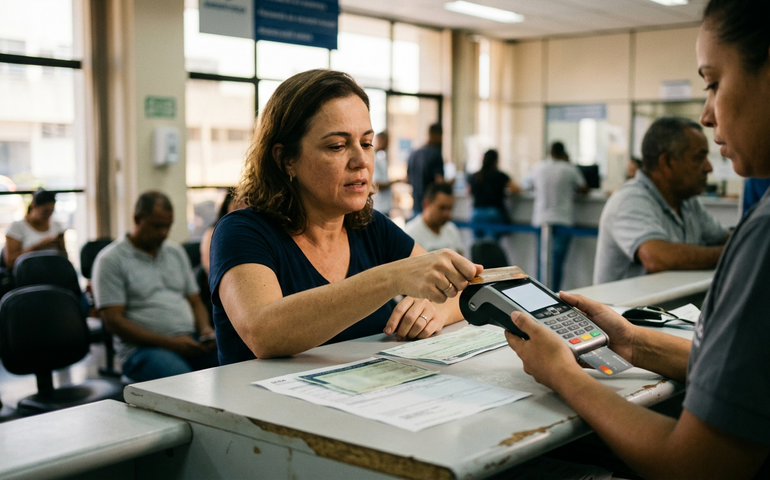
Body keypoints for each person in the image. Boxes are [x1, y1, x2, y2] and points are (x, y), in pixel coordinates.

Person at [506, 1, 770, 477]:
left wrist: (562, 374)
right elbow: (750, 380)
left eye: (713, 82)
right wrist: (629, 341)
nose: (708, 115)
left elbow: (694, 466)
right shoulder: (642, 200)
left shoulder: (765, 233)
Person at [208, 69, 481, 364]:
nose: (361, 160)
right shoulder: (242, 231)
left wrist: (435, 310)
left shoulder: (371, 227)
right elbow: (264, 332)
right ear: (286, 159)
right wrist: (391, 279)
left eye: (366, 143)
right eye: (337, 146)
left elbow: (457, 293)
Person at [92, 190, 218, 381]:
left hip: (188, 339)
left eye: (168, 226)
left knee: (231, 365)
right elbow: (114, 322)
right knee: (182, 380)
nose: (164, 233)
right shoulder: (110, 260)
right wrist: (171, 344)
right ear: (137, 219)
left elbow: (194, 301)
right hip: (142, 350)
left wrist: (206, 330)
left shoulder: (175, 252)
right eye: (157, 226)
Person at [593, 117, 729, 284]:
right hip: (624, 310)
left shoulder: (687, 201)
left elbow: (724, 238)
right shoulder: (630, 199)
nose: (709, 167)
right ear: (667, 162)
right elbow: (657, 258)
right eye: (699, 158)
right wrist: (735, 253)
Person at [526, 141, 588, 291]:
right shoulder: (569, 169)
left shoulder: (538, 167)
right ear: (564, 153)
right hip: (562, 219)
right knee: (556, 262)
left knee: (542, 261)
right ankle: (554, 294)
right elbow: (584, 188)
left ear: (549, 152)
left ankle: (540, 293)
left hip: (541, 219)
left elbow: (526, 185)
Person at [4, 188, 67, 269]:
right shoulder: (17, 227)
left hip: (53, 270)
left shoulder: (56, 226)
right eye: (45, 211)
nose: (48, 215)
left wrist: (60, 245)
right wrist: (38, 246)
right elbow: (10, 262)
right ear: (33, 206)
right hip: (28, 272)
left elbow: (64, 257)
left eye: (51, 211)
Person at [468, 149, 521, 240]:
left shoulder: (476, 175)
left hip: (476, 212)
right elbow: (516, 189)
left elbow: (468, 191)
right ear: (496, 160)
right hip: (493, 213)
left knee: (477, 245)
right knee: (491, 246)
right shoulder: (499, 175)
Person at [404, 182, 464, 255]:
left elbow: (462, 258)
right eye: (442, 208)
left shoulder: (451, 229)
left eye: (450, 208)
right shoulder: (410, 235)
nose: (447, 214)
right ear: (426, 204)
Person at [407, 123, 444, 216]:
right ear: (437, 135)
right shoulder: (436, 154)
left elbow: (407, 179)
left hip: (416, 204)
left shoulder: (413, 154)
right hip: (430, 206)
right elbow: (439, 180)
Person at [372, 131, 394, 216]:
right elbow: (377, 184)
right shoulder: (373, 159)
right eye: (386, 141)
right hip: (378, 206)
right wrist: (396, 182)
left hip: (384, 205)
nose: (388, 144)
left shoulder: (381, 157)